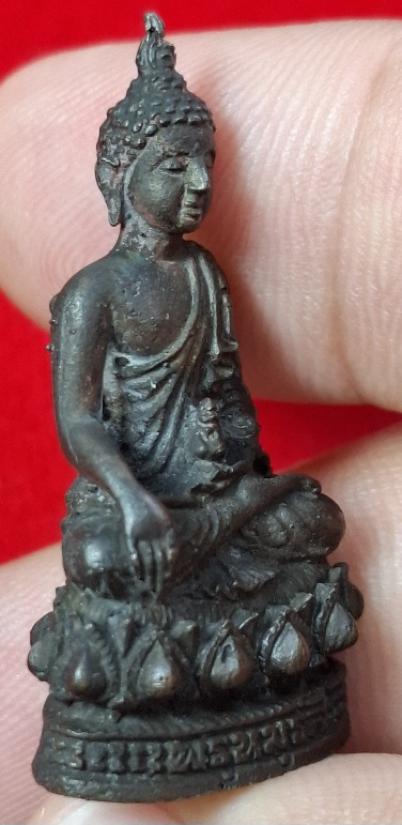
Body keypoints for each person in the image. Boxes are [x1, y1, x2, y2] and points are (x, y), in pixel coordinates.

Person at [1, 18, 402, 825]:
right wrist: (134, 497)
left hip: (216, 501)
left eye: (207, 163)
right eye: (176, 164)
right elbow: (78, 422)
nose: (199, 182)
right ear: (123, 175)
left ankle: (204, 647)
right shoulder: (93, 292)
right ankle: (206, 654)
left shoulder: (204, 276)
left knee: (314, 521)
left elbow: (223, 399)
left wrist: (241, 479)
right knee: (103, 562)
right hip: (132, 509)